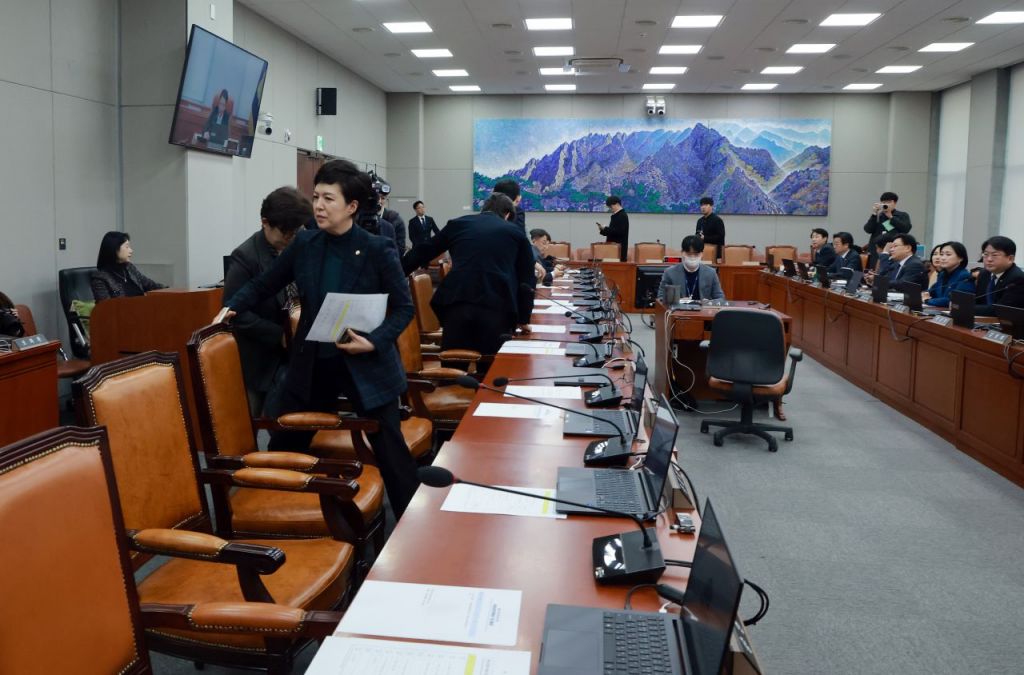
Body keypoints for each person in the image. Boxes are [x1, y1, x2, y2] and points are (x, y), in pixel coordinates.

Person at [222, 159, 418, 518]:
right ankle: (266, 514)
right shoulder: (306, 244)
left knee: (392, 453)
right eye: (316, 197)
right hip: (314, 363)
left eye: (329, 198)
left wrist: (375, 340)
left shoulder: (377, 249)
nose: (319, 206)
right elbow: (265, 284)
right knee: (286, 442)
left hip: (366, 362)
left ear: (352, 206)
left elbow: (404, 308)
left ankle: (414, 524)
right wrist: (231, 306)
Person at [402, 193, 536, 355]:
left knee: (454, 360)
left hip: (457, 302)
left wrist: (396, 274)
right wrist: (523, 319)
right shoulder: (515, 233)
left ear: (484, 209)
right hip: (497, 307)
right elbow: (527, 280)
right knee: (489, 364)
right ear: (507, 214)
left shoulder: (458, 224)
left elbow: (423, 251)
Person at [224, 186, 309, 416]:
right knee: (248, 423)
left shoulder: (298, 245)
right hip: (260, 357)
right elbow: (235, 311)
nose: (291, 238)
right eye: (285, 233)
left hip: (293, 355)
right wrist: (279, 335)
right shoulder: (245, 256)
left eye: (295, 232)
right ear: (265, 222)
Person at [91, 231, 166, 302]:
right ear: (114, 249)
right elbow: (106, 307)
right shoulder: (100, 278)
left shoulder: (129, 268)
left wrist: (169, 290)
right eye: (127, 247)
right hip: (124, 311)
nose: (131, 251)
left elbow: (150, 285)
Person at [657, 235, 725, 304]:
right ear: (682, 253)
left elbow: (721, 299)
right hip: (679, 310)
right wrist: (679, 301)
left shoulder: (711, 273)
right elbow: (660, 299)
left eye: (696, 254)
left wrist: (708, 303)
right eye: (689, 254)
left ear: (702, 254)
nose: (692, 257)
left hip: (702, 310)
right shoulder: (670, 273)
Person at [975, 236, 1024, 316]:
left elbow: (1001, 310)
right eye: (986, 254)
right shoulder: (984, 274)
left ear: (1010, 259)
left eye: (994, 255)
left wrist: (968, 308)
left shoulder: (1018, 279)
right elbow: (978, 301)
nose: (989, 259)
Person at [863, 191, 912, 268]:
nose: (885, 204)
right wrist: (874, 214)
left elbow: (906, 229)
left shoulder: (902, 215)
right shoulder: (879, 216)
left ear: (894, 203)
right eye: (883, 202)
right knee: (874, 270)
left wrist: (890, 217)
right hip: (876, 250)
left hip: (893, 250)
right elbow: (868, 229)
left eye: (888, 202)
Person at [924, 241, 974, 308]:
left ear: (960, 258)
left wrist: (927, 300)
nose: (943, 258)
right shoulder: (942, 274)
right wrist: (924, 294)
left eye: (948, 254)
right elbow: (932, 291)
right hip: (940, 311)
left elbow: (952, 300)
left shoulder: (964, 276)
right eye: (942, 254)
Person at [597, 195, 629, 262]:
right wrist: (602, 230)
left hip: (618, 249)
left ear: (617, 204)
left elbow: (620, 232)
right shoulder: (616, 215)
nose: (610, 208)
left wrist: (605, 228)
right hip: (613, 248)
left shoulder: (622, 215)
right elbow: (613, 231)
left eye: (611, 206)